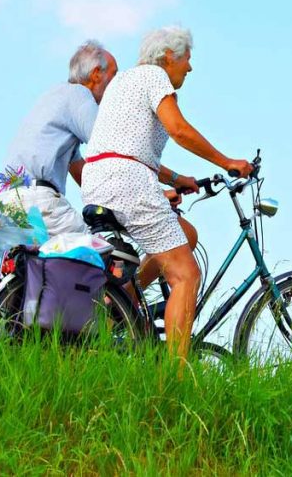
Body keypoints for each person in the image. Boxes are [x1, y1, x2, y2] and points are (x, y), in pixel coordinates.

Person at [81, 26, 253, 359]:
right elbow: (179, 129)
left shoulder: (124, 82)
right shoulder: (155, 76)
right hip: (128, 182)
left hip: (100, 181)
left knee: (185, 234)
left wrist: (176, 179)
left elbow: (126, 146)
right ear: (170, 56)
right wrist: (227, 161)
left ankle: (123, 303)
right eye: (187, 58)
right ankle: (174, 380)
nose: (189, 67)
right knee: (186, 275)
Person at [0, 40, 117, 235]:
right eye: (114, 75)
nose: (116, 84)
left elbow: (84, 175)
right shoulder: (79, 94)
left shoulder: (54, 96)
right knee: (100, 254)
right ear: (96, 74)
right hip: (39, 201)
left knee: (45, 263)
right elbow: (110, 146)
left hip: (11, 202)